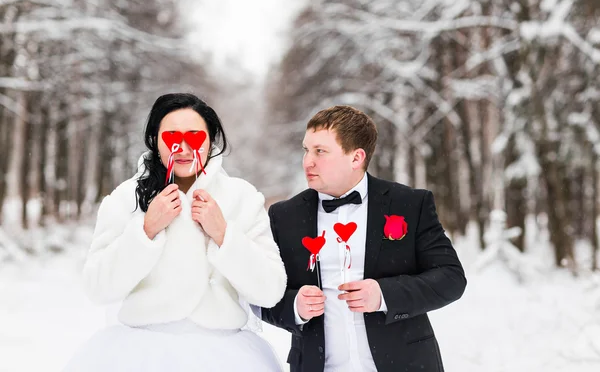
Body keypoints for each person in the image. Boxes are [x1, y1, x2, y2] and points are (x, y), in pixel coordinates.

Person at [63, 93, 286, 372]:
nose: (182, 148)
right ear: (156, 141)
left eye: (194, 136)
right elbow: (97, 287)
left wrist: (223, 234)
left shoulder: (242, 198)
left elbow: (270, 290)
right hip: (139, 356)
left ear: (211, 140)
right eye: (171, 137)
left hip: (226, 357)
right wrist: (146, 230)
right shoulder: (125, 199)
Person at [261, 105, 466, 372]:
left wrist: (384, 295)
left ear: (356, 157)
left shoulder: (408, 204)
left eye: (320, 151)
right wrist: (295, 307)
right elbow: (263, 294)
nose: (307, 161)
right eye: (306, 150)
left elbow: (451, 278)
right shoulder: (284, 216)